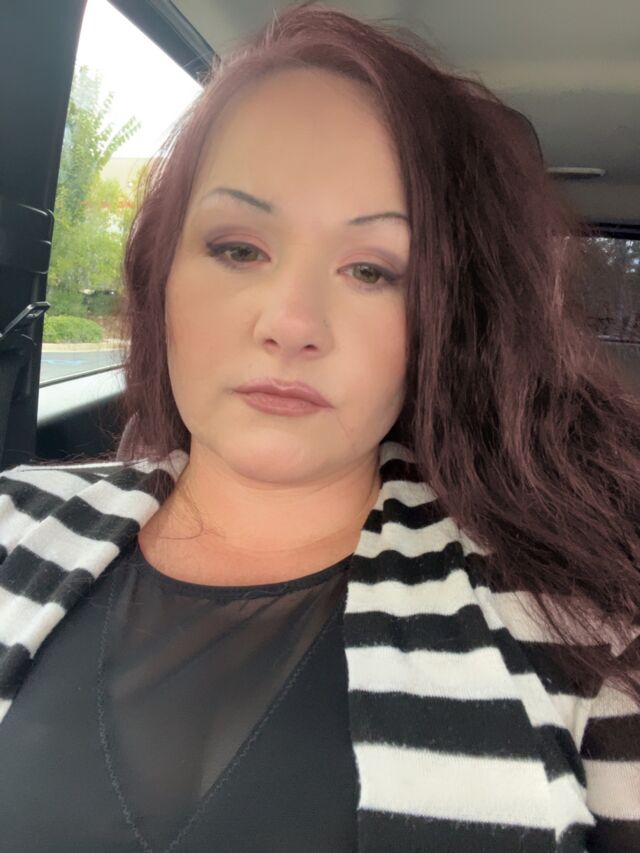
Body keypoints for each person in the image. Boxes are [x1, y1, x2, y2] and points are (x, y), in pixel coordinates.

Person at [0, 2, 639, 851]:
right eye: (238, 249)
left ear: (443, 321)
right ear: (161, 275)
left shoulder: (585, 629)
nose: (291, 322)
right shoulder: (13, 521)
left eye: (371, 269)